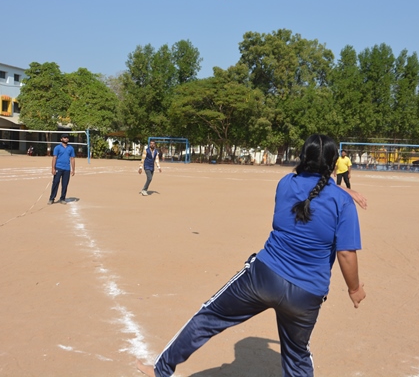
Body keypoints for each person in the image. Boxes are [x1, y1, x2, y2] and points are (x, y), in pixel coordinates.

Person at [136, 134, 366, 377]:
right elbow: (345, 254)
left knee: (209, 316)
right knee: (297, 356)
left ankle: (161, 370)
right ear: (333, 163)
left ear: (302, 157)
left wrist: (340, 191)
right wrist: (354, 289)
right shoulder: (343, 202)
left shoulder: (285, 184)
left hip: (263, 278)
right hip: (306, 294)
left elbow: (308, 189)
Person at [48, 134, 75, 205]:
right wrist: (53, 168)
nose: (66, 139)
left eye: (67, 138)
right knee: (55, 183)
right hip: (58, 168)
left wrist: (73, 169)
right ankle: (52, 198)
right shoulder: (57, 148)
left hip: (67, 169)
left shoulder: (71, 148)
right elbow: (54, 158)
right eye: (64, 137)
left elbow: (72, 158)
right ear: (61, 139)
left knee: (65, 184)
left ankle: (62, 198)